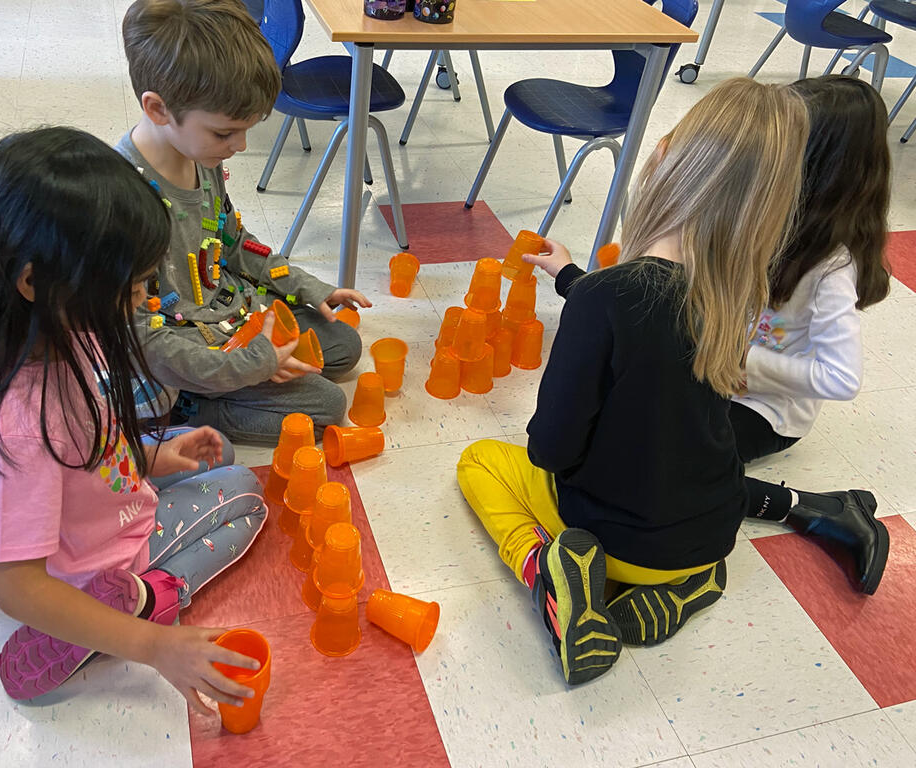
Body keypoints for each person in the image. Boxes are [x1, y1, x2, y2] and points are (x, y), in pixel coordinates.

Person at [457, 78, 819, 686]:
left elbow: (551, 450)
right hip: (710, 534)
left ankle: (548, 574)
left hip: (613, 539)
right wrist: (572, 278)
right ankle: (692, 584)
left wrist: (583, 300)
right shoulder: (737, 294)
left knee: (480, 462)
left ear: (662, 159)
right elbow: (653, 325)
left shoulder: (605, 299)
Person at [0, 127, 269, 713]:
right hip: (87, 561)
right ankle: (130, 602)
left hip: (79, 500)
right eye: (129, 285)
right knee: (245, 495)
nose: (141, 297)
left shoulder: (39, 329)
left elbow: (88, 437)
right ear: (33, 280)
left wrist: (152, 456)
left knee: (220, 451)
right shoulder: (19, 430)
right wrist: (154, 646)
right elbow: (22, 591)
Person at [116, 0, 367, 445]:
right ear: (157, 109)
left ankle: (231, 383)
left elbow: (233, 243)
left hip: (228, 314)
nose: (241, 145)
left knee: (344, 346)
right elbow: (139, 339)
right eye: (224, 132)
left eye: (246, 129)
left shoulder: (199, 155)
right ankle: (190, 406)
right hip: (182, 349)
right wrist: (253, 364)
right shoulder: (120, 201)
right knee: (327, 407)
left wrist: (306, 286)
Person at [729, 75, 892, 591]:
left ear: (815, 164)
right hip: (715, 375)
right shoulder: (766, 212)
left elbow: (841, 378)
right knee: (634, 431)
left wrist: (745, 364)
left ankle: (819, 510)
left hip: (767, 410)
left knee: (670, 467)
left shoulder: (830, 265)